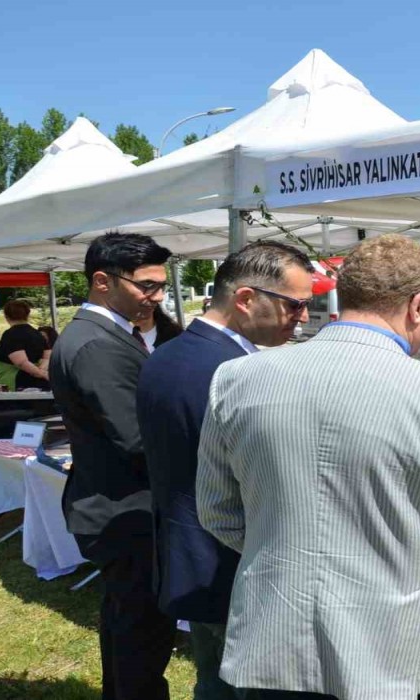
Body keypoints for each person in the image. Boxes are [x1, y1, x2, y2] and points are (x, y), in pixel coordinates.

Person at [197, 235, 420, 700]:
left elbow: (217, 510)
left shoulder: (237, 378)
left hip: (280, 645)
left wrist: (290, 552)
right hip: (419, 649)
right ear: (418, 307)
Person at [137, 242, 314, 700]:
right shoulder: (235, 371)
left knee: (214, 682)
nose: (304, 318)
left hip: (192, 558)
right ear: (246, 299)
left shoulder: (166, 355)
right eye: (294, 305)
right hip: (234, 564)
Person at [50, 232, 177, 700]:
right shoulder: (97, 345)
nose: (157, 296)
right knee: (140, 638)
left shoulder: (104, 336)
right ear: (102, 282)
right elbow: (138, 439)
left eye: (161, 285)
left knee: (129, 629)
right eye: (146, 285)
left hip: (120, 505)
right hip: (124, 510)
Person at [0, 299, 50, 390]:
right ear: (28, 315)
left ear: (6, 316)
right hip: (38, 383)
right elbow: (48, 356)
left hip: (16, 383)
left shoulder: (11, 334)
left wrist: (40, 373)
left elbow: (21, 362)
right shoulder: (37, 334)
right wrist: (41, 371)